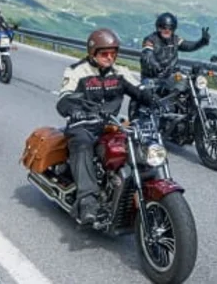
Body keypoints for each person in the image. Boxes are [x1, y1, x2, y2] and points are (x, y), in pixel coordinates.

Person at [55, 28, 161, 224]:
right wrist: (74, 109)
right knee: (82, 142)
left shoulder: (120, 73)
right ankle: (87, 199)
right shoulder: (77, 71)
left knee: (136, 145)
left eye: (113, 53)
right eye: (105, 53)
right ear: (92, 53)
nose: (110, 57)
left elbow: (139, 90)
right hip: (83, 124)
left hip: (109, 125)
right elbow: (64, 99)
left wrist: (155, 99)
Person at [139, 12, 210, 86]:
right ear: (158, 27)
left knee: (186, 85)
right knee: (149, 93)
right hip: (152, 77)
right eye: (163, 27)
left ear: (174, 29)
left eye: (170, 28)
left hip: (170, 76)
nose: (167, 30)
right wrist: (157, 67)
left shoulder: (175, 39)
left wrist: (202, 42)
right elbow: (147, 56)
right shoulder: (150, 40)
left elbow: (189, 46)